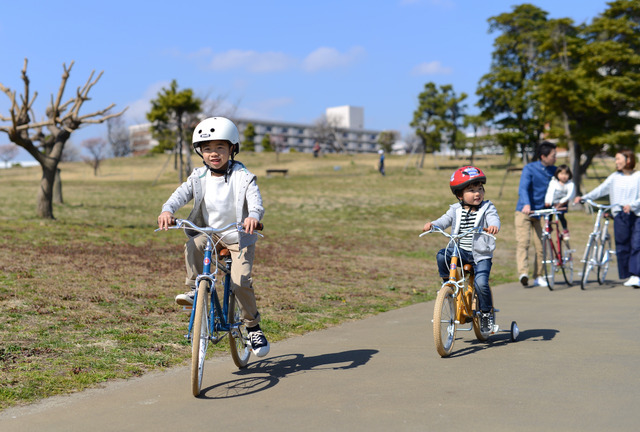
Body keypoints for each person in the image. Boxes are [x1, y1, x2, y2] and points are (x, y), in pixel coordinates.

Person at [157, 116, 270, 357]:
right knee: (193, 243)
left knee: (240, 282)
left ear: (232, 148)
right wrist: (167, 210)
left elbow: (256, 202)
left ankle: (252, 327)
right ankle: (194, 290)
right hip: (210, 235)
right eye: (207, 149)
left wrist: (253, 217)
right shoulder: (198, 176)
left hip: (239, 236)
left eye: (220, 147)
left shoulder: (243, 176)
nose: (213, 154)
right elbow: (180, 194)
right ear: (200, 152)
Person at [423, 166, 500, 333]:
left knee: (481, 283)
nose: (477, 193)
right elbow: (444, 220)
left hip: (480, 256)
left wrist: (493, 225)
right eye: (471, 190)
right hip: (460, 252)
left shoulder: (487, 207)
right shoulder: (455, 209)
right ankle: (447, 285)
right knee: (442, 255)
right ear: (460, 195)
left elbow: (493, 217)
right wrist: (433, 225)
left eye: (480, 189)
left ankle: (486, 314)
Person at [574, 149, 640, 288]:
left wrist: (632, 205)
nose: (616, 162)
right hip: (619, 214)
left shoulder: (638, 176)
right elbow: (601, 189)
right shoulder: (614, 177)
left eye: (618, 159)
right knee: (622, 245)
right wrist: (585, 198)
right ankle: (628, 274)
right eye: (615, 159)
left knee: (637, 244)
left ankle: (636, 274)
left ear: (628, 160)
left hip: (636, 214)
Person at [515, 141, 557, 287]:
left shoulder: (554, 170)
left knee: (541, 245)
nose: (555, 158)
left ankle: (538, 275)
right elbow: (523, 189)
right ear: (543, 156)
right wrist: (526, 204)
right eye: (553, 155)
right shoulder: (529, 168)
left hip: (542, 213)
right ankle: (523, 273)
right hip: (524, 211)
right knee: (523, 242)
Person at [544, 164, 575, 240]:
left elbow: (570, 195)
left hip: (562, 204)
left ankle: (565, 230)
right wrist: (547, 201)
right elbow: (549, 192)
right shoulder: (553, 182)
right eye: (561, 174)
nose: (563, 176)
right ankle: (548, 226)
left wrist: (561, 203)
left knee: (561, 216)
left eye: (566, 174)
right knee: (549, 215)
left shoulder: (570, 184)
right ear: (557, 174)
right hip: (553, 203)